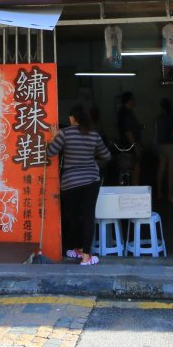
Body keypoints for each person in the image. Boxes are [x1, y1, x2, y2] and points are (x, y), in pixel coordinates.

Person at [48, 105, 111, 266]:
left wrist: (54, 137)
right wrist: (92, 162)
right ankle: (86, 256)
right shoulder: (94, 135)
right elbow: (107, 156)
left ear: (72, 118)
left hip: (70, 182)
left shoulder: (65, 133)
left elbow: (50, 152)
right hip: (91, 180)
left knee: (72, 216)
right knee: (88, 216)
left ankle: (76, 248)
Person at [154, 98, 173, 203]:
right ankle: (170, 196)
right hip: (170, 146)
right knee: (170, 172)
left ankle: (159, 193)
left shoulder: (158, 118)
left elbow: (156, 133)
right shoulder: (172, 117)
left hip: (161, 145)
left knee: (161, 170)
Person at [115, 92, 143, 185]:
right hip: (130, 146)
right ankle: (135, 188)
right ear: (129, 101)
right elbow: (128, 131)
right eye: (133, 99)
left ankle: (127, 186)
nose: (134, 101)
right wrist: (135, 147)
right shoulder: (127, 113)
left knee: (125, 169)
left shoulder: (121, 112)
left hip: (124, 145)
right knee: (135, 167)